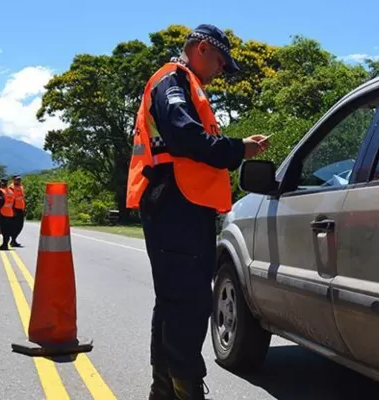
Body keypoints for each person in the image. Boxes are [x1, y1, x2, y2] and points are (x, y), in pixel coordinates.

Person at [125, 24, 270, 400]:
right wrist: (238, 149)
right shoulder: (172, 81)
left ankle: (164, 390)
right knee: (188, 304)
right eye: (221, 61)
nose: (221, 70)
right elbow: (185, 136)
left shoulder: (186, 84)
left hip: (181, 206)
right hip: (175, 206)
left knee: (174, 301)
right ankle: (185, 390)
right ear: (202, 48)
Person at [0, 177, 15, 251]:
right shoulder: (11, 191)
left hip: (3, 212)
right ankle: (5, 244)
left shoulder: (1, 191)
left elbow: (1, 200)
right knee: (7, 230)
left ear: (2, 183)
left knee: (4, 230)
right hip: (10, 212)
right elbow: (14, 201)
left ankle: (4, 245)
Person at [9, 175, 26, 247]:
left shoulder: (21, 187)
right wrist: (12, 209)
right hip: (14, 209)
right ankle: (13, 240)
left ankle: (13, 240)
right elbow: (10, 199)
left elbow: (22, 198)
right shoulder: (11, 188)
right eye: (17, 179)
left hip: (20, 209)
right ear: (13, 180)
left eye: (19, 179)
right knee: (15, 226)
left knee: (20, 226)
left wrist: (24, 208)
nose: (19, 181)